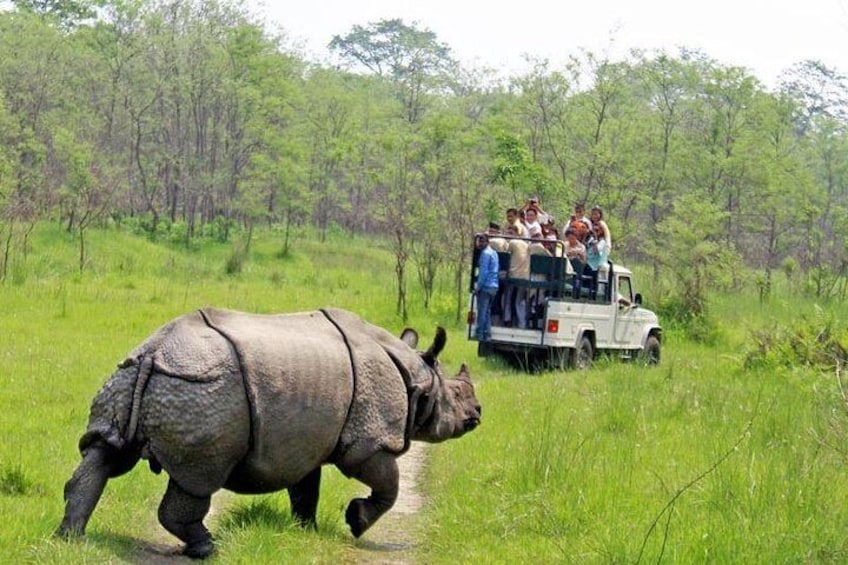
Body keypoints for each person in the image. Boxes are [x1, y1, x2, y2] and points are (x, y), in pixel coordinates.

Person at [474, 233, 499, 341]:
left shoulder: (485, 254)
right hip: (494, 286)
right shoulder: (494, 253)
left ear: (488, 242)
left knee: (482, 311)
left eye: (483, 241)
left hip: (486, 286)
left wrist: (478, 287)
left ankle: (479, 334)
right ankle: (487, 334)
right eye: (480, 241)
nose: (480, 243)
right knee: (487, 311)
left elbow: (483, 273)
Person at [583, 224, 609, 300]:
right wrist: (586, 235)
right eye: (594, 230)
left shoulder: (602, 242)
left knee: (592, 286)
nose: (595, 232)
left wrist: (595, 238)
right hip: (587, 264)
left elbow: (596, 251)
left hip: (594, 267)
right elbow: (584, 245)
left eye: (597, 230)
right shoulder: (590, 239)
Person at [562, 227, 586, 298]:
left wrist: (579, 254)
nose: (571, 240)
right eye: (569, 238)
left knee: (576, 261)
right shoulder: (564, 245)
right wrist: (568, 253)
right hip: (565, 267)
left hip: (576, 270)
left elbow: (584, 262)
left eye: (573, 238)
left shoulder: (581, 247)